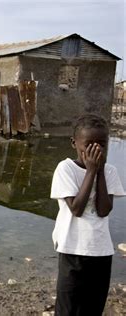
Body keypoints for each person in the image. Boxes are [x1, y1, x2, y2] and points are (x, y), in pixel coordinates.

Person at [50, 114, 125, 315]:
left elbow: (103, 210)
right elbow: (76, 209)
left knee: (93, 306)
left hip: (100, 250)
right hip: (72, 249)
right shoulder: (65, 169)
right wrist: (91, 171)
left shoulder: (109, 171)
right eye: (89, 144)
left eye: (102, 144)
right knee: (68, 306)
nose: (96, 150)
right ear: (74, 143)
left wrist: (99, 171)